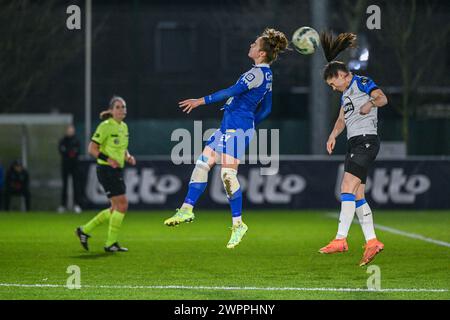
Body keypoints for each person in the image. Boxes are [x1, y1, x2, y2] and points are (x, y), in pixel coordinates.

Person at [164, 28, 288, 249]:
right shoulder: (267, 75)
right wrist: (250, 124)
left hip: (236, 127)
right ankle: (186, 209)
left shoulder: (256, 73)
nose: (251, 45)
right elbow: (267, 109)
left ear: (261, 53)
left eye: (254, 43)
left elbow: (231, 91)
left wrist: (200, 101)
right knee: (202, 164)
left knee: (228, 174)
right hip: (230, 126)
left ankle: (238, 224)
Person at [317, 32, 388, 266]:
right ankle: (372, 241)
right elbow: (341, 119)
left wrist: (369, 102)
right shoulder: (346, 94)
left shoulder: (361, 82)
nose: (333, 88)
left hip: (366, 141)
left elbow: (382, 99)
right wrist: (332, 135)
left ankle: (340, 239)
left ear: (340, 76)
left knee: (346, 187)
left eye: (332, 84)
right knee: (357, 194)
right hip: (354, 143)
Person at [75, 96, 136, 252]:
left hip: (117, 169)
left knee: (114, 208)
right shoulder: (105, 126)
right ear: (111, 110)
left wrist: (127, 156)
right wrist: (108, 159)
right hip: (106, 170)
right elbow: (92, 149)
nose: (122, 109)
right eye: (118, 107)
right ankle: (110, 243)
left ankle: (85, 230)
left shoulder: (124, 127)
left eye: (123, 107)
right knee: (122, 205)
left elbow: (122, 148)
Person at [58, 124, 82, 213]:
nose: (70, 131)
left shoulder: (76, 140)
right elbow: (62, 151)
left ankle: (77, 205)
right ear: (66, 131)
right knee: (65, 185)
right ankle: (63, 205)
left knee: (76, 185)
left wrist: (69, 152)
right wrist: (69, 152)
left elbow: (77, 151)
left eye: (71, 129)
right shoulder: (63, 140)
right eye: (69, 130)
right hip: (65, 165)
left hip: (75, 166)